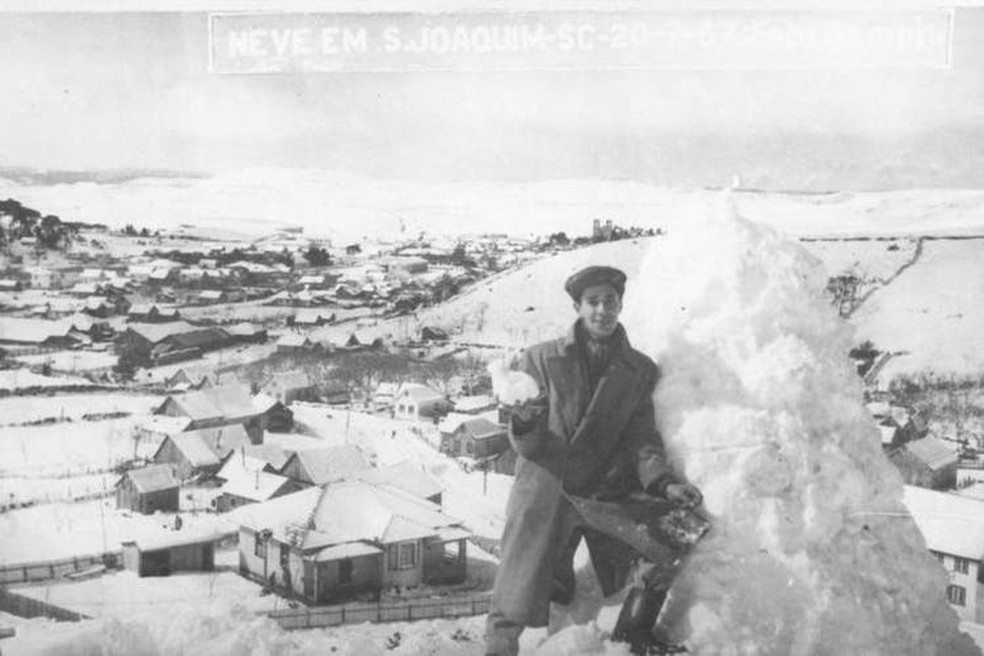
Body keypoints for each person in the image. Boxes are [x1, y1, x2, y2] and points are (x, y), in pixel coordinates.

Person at [486, 265, 708, 656]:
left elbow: (642, 440)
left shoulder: (639, 369)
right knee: (514, 591)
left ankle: (631, 633)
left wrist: (664, 483)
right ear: (577, 306)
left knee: (681, 531)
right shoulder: (540, 360)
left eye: (610, 301)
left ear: (621, 305)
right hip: (546, 489)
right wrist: (523, 421)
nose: (602, 310)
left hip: (603, 492)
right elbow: (529, 446)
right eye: (593, 301)